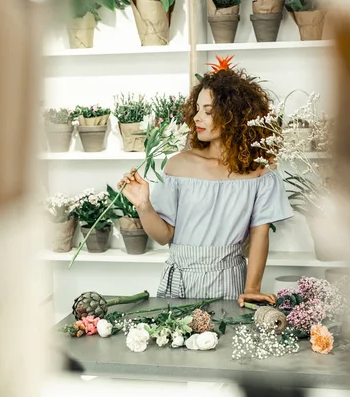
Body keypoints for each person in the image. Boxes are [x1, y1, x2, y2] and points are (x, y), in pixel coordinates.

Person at [118, 59, 293, 307]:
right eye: (197, 109)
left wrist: (252, 288)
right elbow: (164, 236)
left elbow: (259, 234)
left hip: (230, 280)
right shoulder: (178, 165)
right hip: (180, 281)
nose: (197, 117)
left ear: (235, 115)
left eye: (208, 111)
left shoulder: (260, 173)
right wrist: (143, 205)